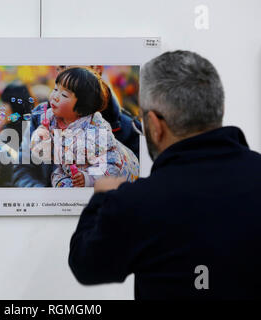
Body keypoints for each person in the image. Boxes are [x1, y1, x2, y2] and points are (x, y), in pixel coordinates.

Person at [68, 51, 261, 299]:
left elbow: (85, 265)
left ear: (155, 126)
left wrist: (101, 198)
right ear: (220, 109)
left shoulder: (136, 202)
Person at [12, 65, 141, 188]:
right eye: (56, 89)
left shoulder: (97, 129)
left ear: (81, 109)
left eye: (64, 95)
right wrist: (41, 138)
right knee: (59, 180)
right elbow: (32, 160)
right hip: (68, 171)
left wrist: (87, 178)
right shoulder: (47, 117)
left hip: (109, 178)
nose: (55, 97)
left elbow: (112, 165)